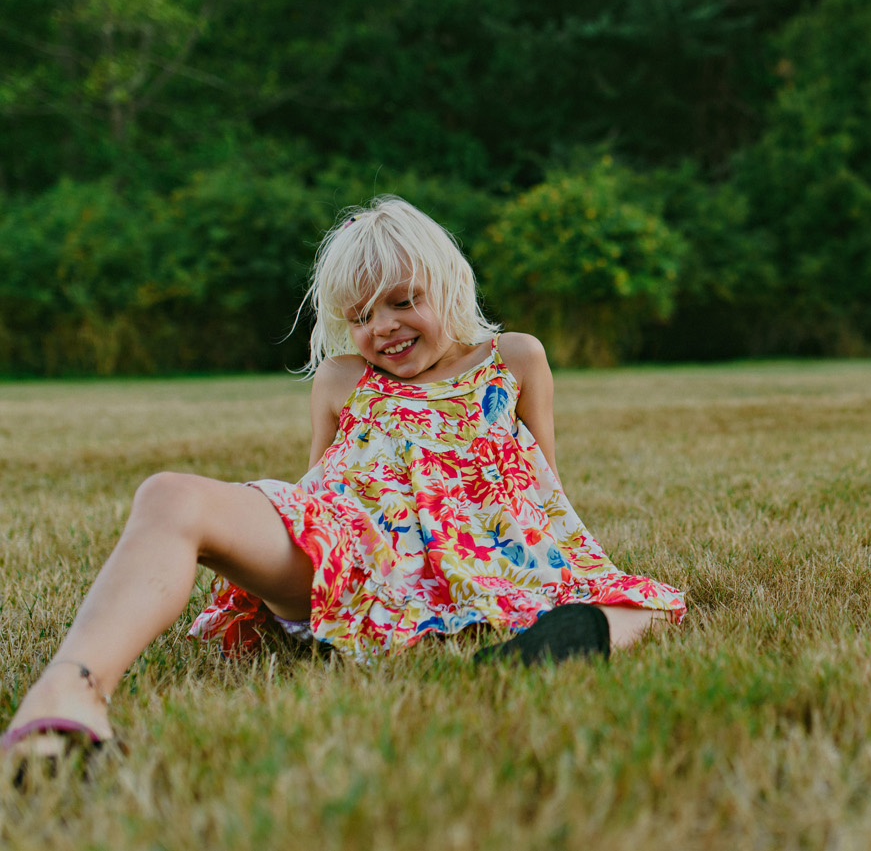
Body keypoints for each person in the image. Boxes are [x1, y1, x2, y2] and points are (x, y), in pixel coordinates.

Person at [2, 196, 686, 766]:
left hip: (490, 562)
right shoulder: (340, 379)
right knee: (168, 493)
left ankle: (554, 646)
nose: (381, 327)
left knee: (646, 603)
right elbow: (317, 490)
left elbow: (548, 489)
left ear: (449, 285)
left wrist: (575, 572)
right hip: (361, 559)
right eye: (360, 316)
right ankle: (70, 690)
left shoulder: (513, 359)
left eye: (401, 301)